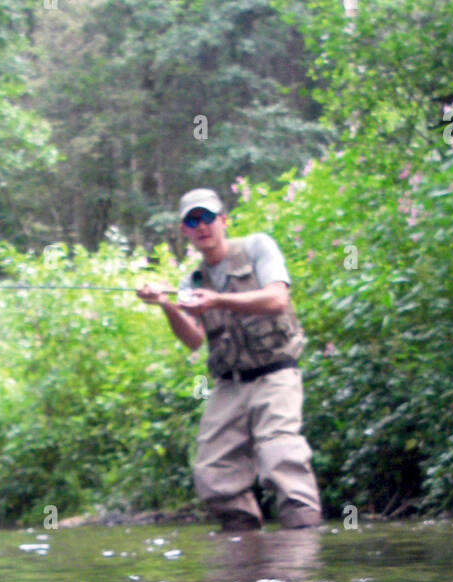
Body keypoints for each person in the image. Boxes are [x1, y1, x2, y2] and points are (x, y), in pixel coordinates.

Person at [137, 188, 323, 531]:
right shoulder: (190, 281)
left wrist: (217, 301)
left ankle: (303, 547)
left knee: (281, 455)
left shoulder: (257, 247)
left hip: (276, 372)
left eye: (207, 217)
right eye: (193, 221)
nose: (202, 226)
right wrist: (166, 304)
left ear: (222, 220)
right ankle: (243, 549)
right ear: (184, 231)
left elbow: (277, 300)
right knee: (212, 472)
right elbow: (193, 340)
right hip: (230, 383)